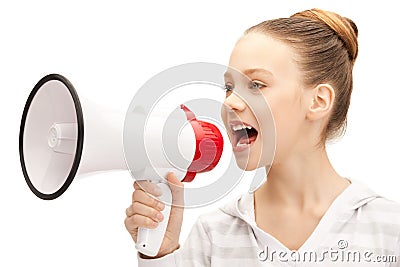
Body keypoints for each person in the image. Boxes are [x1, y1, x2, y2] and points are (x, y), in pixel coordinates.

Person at [124, 8, 400, 266]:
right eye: (228, 87)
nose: (230, 101)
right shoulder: (214, 234)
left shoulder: (389, 229)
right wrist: (162, 254)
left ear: (318, 101)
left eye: (256, 85)